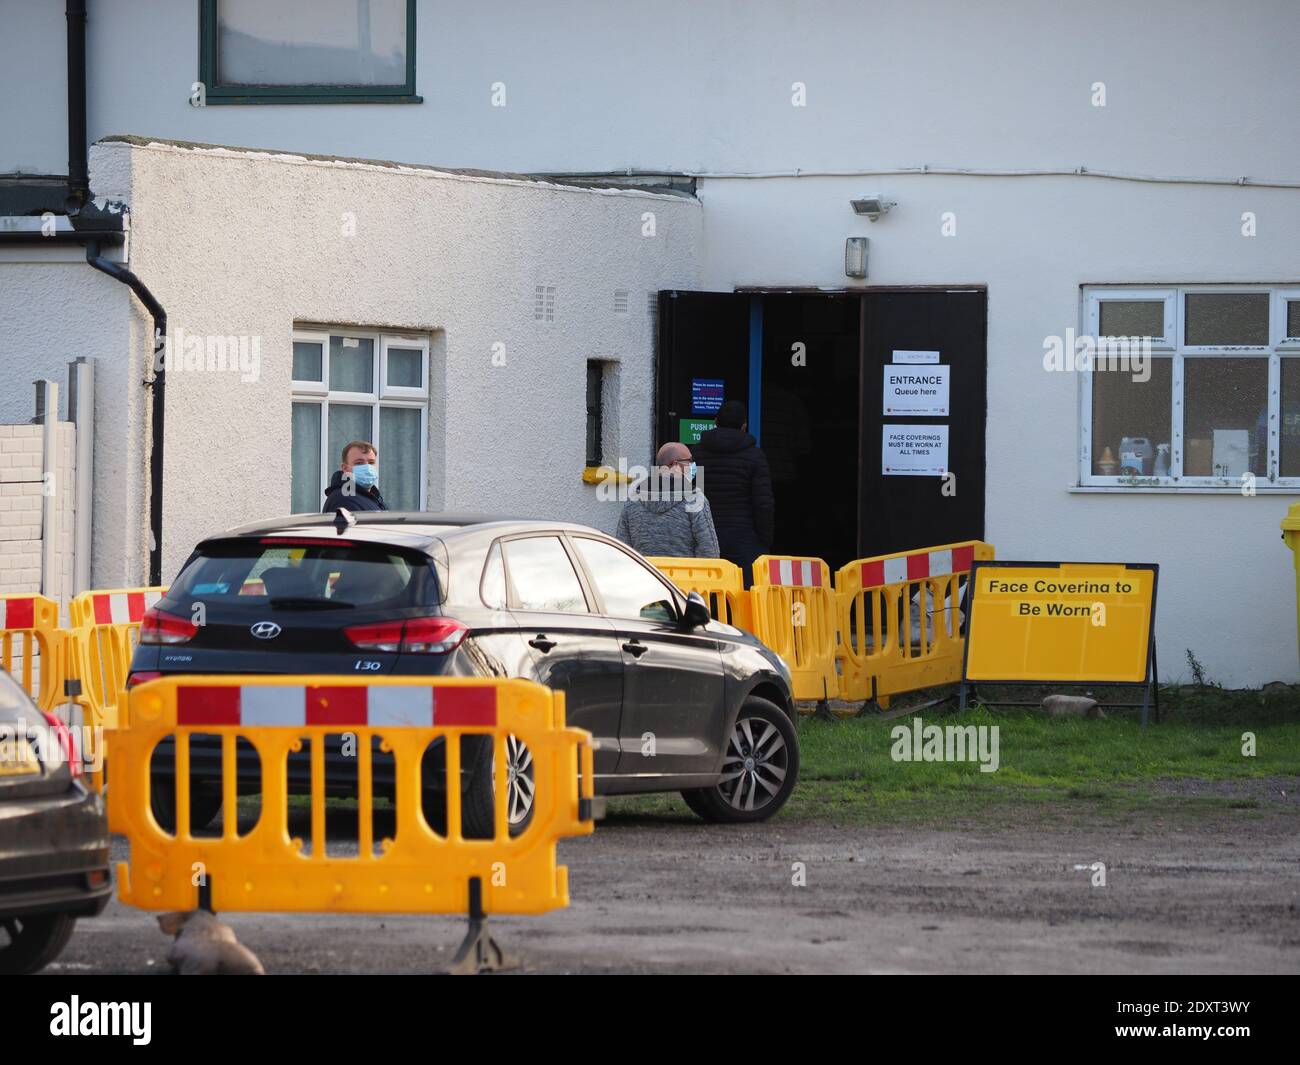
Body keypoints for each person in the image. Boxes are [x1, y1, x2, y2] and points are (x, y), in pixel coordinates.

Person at [690, 400, 774, 581]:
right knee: (745, 597)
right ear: (744, 427)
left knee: (709, 592)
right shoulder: (755, 456)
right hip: (745, 538)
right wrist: (765, 540)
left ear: (715, 422)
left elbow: (689, 495)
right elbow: (763, 503)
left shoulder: (696, 453)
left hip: (706, 534)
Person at [616, 442, 719, 558]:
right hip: (686, 575)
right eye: (689, 461)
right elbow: (710, 551)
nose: (693, 465)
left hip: (646, 575)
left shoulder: (633, 499)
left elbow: (622, 550)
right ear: (675, 464)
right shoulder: (695, 499)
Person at [322, 439, 388, 512]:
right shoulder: (344, 499)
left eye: (371, 462)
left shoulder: (373, 498)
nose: (367, 467)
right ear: (345, 468)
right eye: (359, 463)